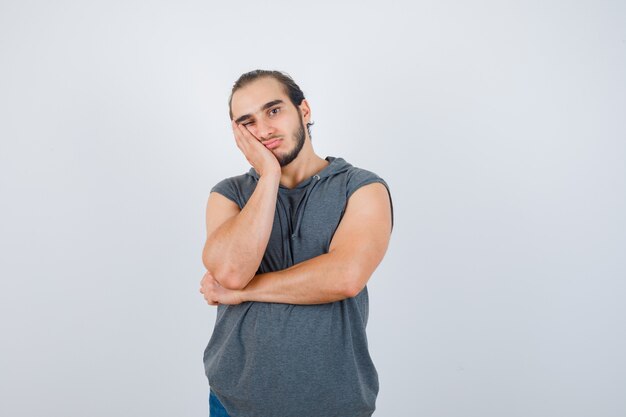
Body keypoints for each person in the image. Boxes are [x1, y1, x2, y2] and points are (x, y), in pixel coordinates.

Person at [199, 69, 394, 417]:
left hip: (335, 405)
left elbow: (345, 277)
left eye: (274, 111)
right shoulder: (228, 194)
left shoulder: (362, 188)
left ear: (304, 111)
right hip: (234, 403)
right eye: (248, 123)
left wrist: (244, 291)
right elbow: (230, 271)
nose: (264, 130)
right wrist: (269, 174)